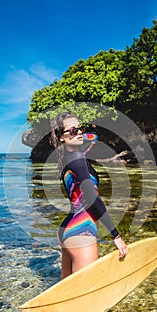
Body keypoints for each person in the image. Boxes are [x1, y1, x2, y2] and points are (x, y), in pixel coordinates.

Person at [50, 112, 128, 280]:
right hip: (82, 232)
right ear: (61, 137)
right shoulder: (77, 159)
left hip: (67, 231)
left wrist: (76, 133)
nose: (78, 133)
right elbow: (92, 199)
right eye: (72, 131)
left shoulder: (67, 159)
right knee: (83, 296)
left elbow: (94, 136)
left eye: (80, 129)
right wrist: (116, 236)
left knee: (67, 295)